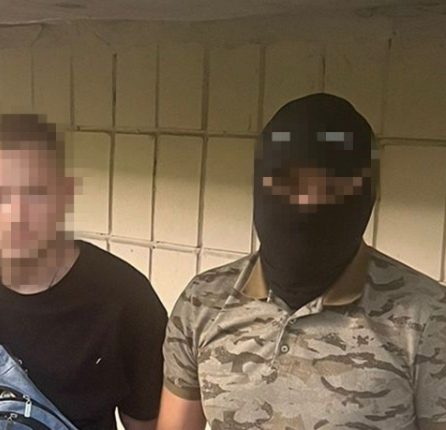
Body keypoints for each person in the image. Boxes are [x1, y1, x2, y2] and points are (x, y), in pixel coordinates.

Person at [158, 93, 446, 430]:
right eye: (289, 182)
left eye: (331, 186)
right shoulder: (203, 301)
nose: (308, 201)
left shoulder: (429, 318)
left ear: (367, 193)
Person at [0, 113, 168, 430]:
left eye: (35, 192)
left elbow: (145, 423)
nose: (16, 216)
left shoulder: (125, 298)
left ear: (65, 194)